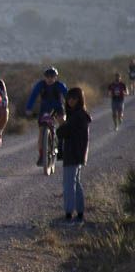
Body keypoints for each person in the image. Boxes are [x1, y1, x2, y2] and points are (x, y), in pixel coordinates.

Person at [55, 87, 91, 224]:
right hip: (77, 153)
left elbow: (65, 133)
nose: (71, 101)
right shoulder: (78, 114)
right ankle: (80, 212)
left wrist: (61, 124)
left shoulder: (78, 115)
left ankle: (69, 213)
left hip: (74, 153)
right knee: (76, 182)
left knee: (69, 184)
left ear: (79, 99)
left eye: (74, 98)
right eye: (69, 98)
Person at [24, 67, 68, 165]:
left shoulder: (60, 85)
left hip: (58, 108)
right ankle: (41, 155)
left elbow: (67, 96)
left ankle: (60, 147)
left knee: (62, 124)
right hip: (45, 109)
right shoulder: (41, 85)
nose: (50, 79)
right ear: (45, 77)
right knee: (41, 130)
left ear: (55, 77)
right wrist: (29, 108)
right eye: (48, 77)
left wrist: (70, 108)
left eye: (52, 77)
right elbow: (33, 96)